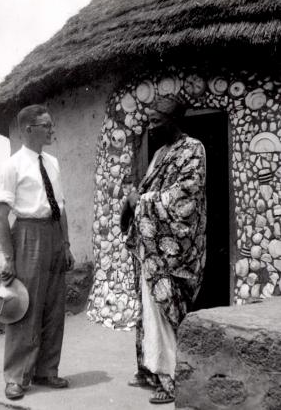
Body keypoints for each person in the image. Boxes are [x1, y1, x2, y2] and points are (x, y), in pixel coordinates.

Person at [121, 97, 207, 404]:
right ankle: (152, 369)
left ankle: (170, 377)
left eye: (158, 121)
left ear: (175, 120)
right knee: (149, 308)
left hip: (174, 250)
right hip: (151, 246)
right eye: (151, 121)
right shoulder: (159, 154)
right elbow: (147, 192)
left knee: (165, 309)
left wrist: (141, 203)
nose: (152, 126)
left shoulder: (193, 149)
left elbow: (187, 195)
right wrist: (133, 200)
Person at [0, 104, 75, 400]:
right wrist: (10, 258)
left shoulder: (52, 162)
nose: (52, 130)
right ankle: (16, 376)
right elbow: (2, 216)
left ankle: (46, 370)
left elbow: (62, 206)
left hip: (54, 233)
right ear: (29, 129)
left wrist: (66, 244)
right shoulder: (12, 165)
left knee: (54, 307)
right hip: (27, 234)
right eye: (47, 125)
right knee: (25, 306)